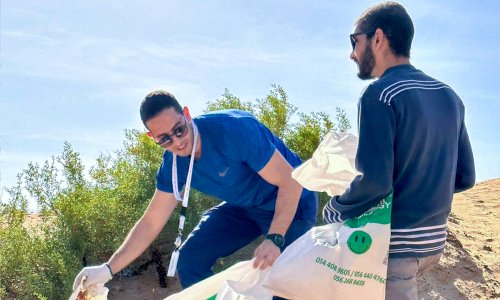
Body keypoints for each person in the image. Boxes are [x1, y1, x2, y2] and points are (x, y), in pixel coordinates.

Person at [73, 90, 318, 291]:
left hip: (292, 201)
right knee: (189, 259)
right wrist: (107, 269)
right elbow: (150, 223)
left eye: (179, 129)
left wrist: (275, 238)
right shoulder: (173, 166)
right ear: (152, 138)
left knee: (282, 285)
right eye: (165, 139)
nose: (177, 142)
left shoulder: (234, 131)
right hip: (244, 206)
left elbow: (291, 182)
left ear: (187, 115)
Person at [322, 2, 475, 300]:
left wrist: (335, 209)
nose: (352, 53)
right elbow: (465, 177)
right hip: (433, 245)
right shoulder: (450, 96)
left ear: (377, 39)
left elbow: (375, 181)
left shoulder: (379, 94)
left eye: (355, 41)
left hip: (396, 250)